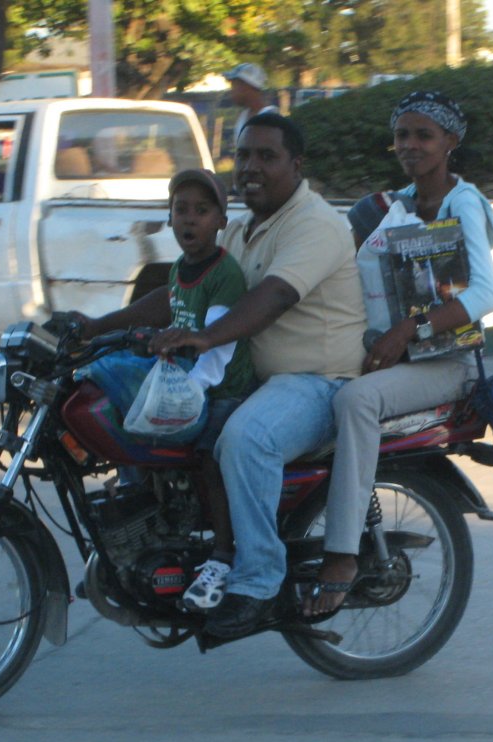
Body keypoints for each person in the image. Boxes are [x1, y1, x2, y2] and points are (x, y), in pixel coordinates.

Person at [151, 113, 367, 638]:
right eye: (243, 156)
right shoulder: (247, 228)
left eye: (266, 157)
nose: (250, 167)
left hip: (316, 382)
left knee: (245, 439)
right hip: (256, 382)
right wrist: (96, 326)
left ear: (296, 164)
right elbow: (185, 292)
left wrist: (207, 336)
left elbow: (272, 296)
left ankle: (257, 581)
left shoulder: (314, 224)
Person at [300, 90, 493, 617]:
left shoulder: (463, 203)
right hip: (399, 355)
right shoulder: (402, 203)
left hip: (443, 365)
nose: (410, 145)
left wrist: (408, 330)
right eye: (402, 135)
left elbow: (484, 295)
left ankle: (341, 554)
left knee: (356, 403)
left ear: (450, 142)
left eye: (423, 136)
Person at [74, 169, 255, 609]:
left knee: (209, 457)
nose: (190, 220)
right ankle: (139, 543)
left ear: (220, 220)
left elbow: (219, 347)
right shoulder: (180, 269)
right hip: (189, 381)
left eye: (201, 210)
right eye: (181, 210)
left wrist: (186, 393)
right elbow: (171, 319)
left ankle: (223, 555)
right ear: (169, 218)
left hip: (221, 390)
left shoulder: (223, 272)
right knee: (133, 432)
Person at [224, 63, 278, 150]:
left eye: (234, 86)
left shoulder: (270, 119)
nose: (231, 92)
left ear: (245, 87)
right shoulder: (243, 116)